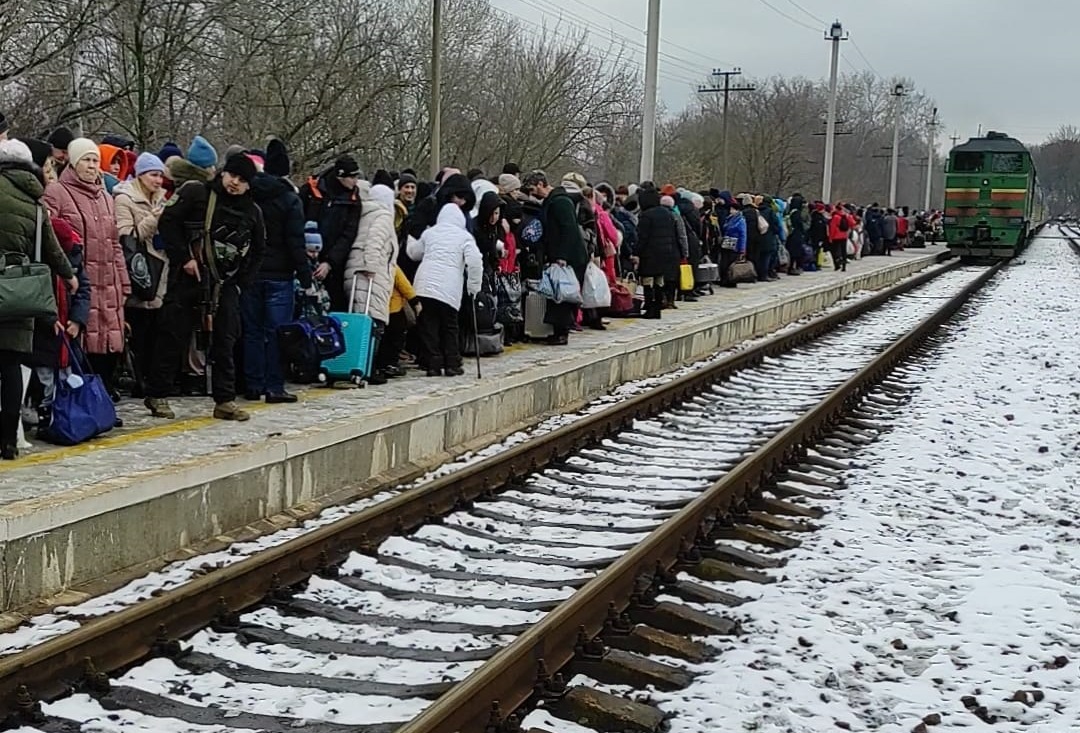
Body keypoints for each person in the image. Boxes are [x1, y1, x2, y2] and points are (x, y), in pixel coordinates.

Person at [144, 153, 265, 421]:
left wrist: (240, 282)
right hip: (189, 278)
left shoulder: (252, 211)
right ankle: (157, 393)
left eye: (242, 180)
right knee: (172, 335)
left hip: (226, 285)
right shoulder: (197, 193)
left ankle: (224, 400)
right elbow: (169, 223)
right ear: (223, 173)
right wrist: (184, 259)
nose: (234, 183)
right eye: (232, 175)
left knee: (226, 340)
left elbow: (258, 251)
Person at [0, 139, 77, 459]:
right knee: (10, 366)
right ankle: (8, 441)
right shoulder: (35, 200)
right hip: (20, 291)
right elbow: (51, 248)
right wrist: (70, 275)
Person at [44, 137, 130, 402]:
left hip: (109, 282)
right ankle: (84, 402)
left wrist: (124, 282)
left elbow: (115, 244)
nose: (92, 166)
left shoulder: (105, 196)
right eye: (86, 160)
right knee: (84, 343)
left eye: (95, 160)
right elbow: (51, 235)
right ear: (73, 161)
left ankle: (102, 399)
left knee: (109, 344)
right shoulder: (57, 192)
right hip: (79, 282)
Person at [245, 140, 312, 403]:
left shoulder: (250, 195)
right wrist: (305, 276)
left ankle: (252, 384)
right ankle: (274, 386)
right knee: (277, 332)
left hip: (251, 272)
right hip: (280, 275)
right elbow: (296, 241)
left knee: (251, 331)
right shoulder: (289, 199)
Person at [406, 177, 482, 376]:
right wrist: (474, 287)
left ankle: (433, 363)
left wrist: (409, 237)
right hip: (449, 287)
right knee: (449, 325)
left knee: (428, 325)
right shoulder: (465, 236)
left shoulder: (431, 233)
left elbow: (414, 253)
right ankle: (452, 363)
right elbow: (475, 261)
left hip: (424, 284)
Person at [115, 152, 168, 396]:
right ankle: (136, 379)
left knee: (156, 333)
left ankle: (150, 378)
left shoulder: (163, 198)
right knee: (138, 331)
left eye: (160, 176)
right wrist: (154, 219)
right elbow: (126, 236)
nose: (158, 181)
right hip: (137, 272)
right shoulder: (124, 198)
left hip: (159, 272)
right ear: (141, 175)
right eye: (153, 175)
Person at [344, 182, 398, 385]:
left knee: (359, 321)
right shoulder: (382, 217)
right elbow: (374, 242)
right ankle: (366, 366)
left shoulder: (364, 214)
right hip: (370, 276)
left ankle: (356, 364)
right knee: (373, 322)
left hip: (354, 271)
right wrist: (372, 267)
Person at [301, 155, 362, 312]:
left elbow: (348, 234)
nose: (355, 181)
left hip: (333, 264)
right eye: (352, 177)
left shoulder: (354, 199)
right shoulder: (311, 190)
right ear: (340, 176)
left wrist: (330, 262)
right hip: (304, 257)